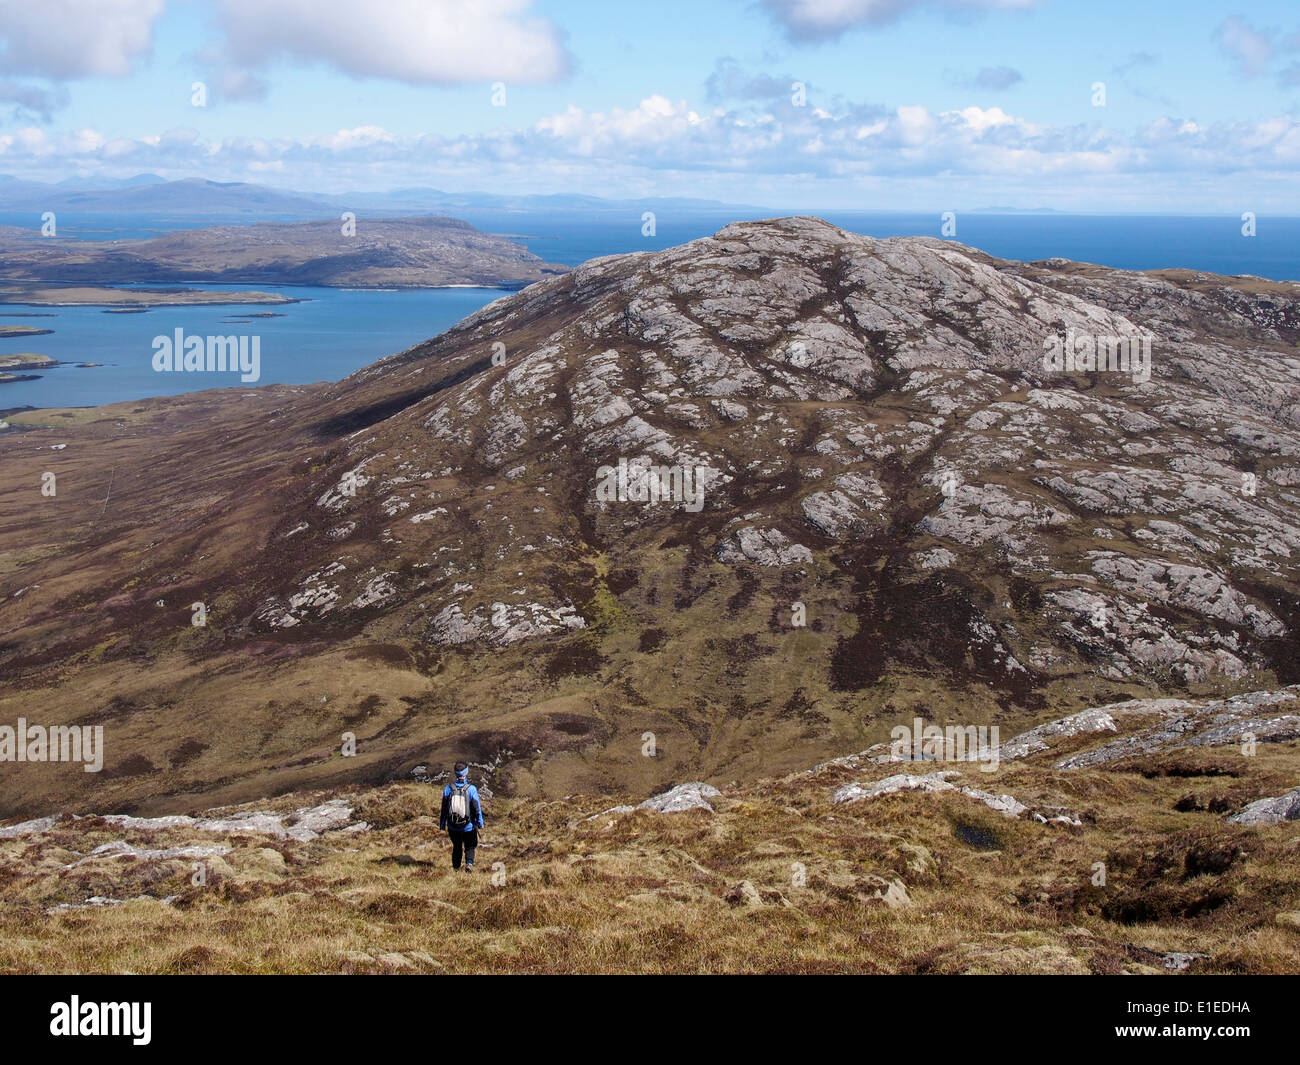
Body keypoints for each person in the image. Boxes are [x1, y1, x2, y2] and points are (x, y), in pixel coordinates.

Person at [439, 761, 484, 871]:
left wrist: (442, 824)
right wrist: (480, 823)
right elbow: (477, 808)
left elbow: (444, 809)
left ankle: (456, 868)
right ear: (466, 772)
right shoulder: (471, 789)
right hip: (468, 826)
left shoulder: (448, 789)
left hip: (453, 826)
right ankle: (469, 863)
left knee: (457, 847)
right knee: (470, 846)